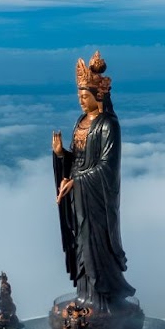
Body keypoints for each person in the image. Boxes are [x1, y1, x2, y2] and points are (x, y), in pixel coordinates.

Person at [52, 51, 135, 311]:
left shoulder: (108, 125)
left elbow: (106, 167)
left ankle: (102, 300)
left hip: (97, 198)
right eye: (78, 95)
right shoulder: (80, 122)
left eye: (85, 96)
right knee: (80, 242)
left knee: (94, 244)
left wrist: (77, 181)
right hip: (80, 199)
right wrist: (60, 155)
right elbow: (78, 159)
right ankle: (85, 295)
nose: (80, 100)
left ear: (98, 96)